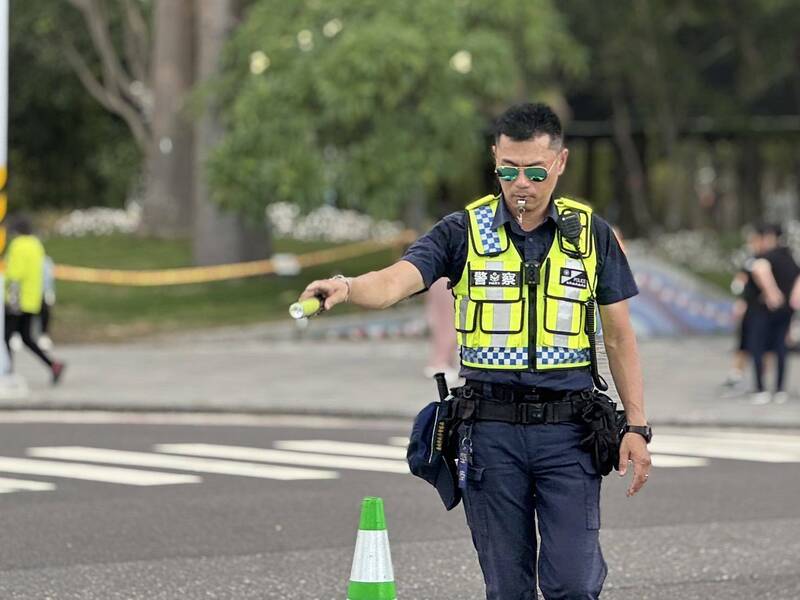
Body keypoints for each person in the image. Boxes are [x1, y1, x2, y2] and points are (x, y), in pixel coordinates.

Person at [298, 103, 651, 599]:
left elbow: (618, 337)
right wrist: (346, 285)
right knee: (507, 589)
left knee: (573, 583)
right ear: (494, 159)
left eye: (534, 171)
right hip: (491, 433)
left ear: (561, 163)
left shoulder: (591, 235)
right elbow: (396, 280)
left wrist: (635, 426)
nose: (520, 183)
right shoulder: (462, 230)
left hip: (570, 434)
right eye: (508, 170)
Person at [743, 223, 799, 404]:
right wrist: (793, 300)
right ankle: (780, 389)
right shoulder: (789, 256)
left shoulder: (766, 256)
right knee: (781, 348)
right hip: (786, 311)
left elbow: (760, 269)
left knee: (758, 348)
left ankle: (760, 389)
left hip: (763, 310)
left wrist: (772, 293)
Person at [4, 217, 65, 384]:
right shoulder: (37, 245)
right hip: (32, 299)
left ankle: (7, 373)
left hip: (17, 299)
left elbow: (16, 273)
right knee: (26, 338)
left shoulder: (18, 245)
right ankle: (53, 365)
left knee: (6, 336)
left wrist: (5, 279)